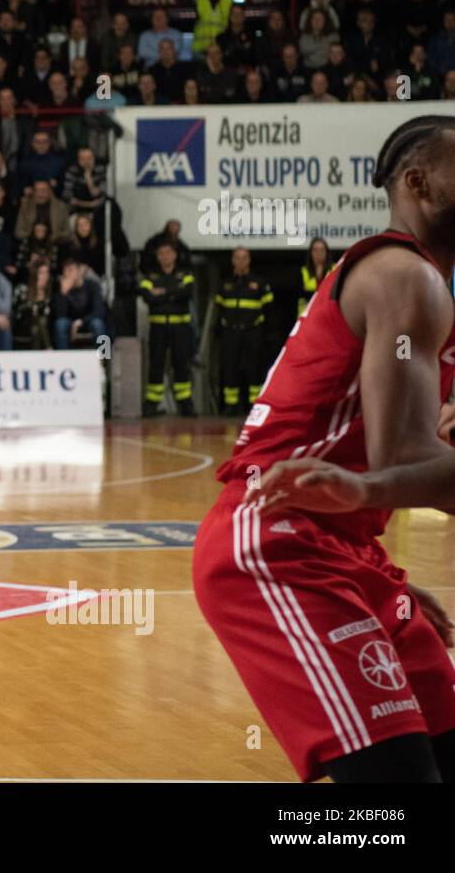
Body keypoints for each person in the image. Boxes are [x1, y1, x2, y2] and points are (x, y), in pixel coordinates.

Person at [194, 115, 455, 783]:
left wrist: (374, 574)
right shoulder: (404, 276)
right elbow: (405, 462)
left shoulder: (426, 288)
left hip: (344, 549)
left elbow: (410, 470)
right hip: (282, 543)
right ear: (419, 183)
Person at [213, 247, 273, 416]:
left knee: (254, 368)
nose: (240, 261)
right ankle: (231, 405)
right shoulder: (224, 283)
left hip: (253, 331)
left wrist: (265, 333)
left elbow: (269, 310)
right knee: (230, 367)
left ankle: (254, 404)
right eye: (237, 258)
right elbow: (219, 310)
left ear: (249, 260)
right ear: (233, 260)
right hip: (231, 332)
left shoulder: (259, 283)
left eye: (244, 258)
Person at [138, 242, 195, 416]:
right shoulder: (150, 276)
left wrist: (161, 292)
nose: (165, 256)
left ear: (175, 255)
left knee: (181, 364)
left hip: (180, 326)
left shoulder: (185, 274)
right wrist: (172, 292)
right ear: (157, 256)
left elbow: (187, 292)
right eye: (161, 253)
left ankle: (185, 403)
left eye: (168, 253)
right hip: (158, 326)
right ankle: (152, 404)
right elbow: (146, 296)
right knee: (156, 364)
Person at [53, 259, 108, 351]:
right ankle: (62, 359)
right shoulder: (61, 288)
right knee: (60, 324)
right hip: (69, 322)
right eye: (65, 271)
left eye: (70, 270)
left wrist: (81, 321)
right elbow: (59, 315)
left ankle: (102, 360)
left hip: (88, 320)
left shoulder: (92, 285)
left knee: (98, 324)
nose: (67, 274)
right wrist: (63, 294)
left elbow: (99, 311)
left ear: (79, 272)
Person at [298, 237, 333, 316]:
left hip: (327, 316)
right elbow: (299, 295)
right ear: (311, 253)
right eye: (315, 250)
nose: (319, 253)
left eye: (322, 250)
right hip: (307, 317)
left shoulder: (335, 270)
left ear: (327, 252)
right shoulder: (303, 271)